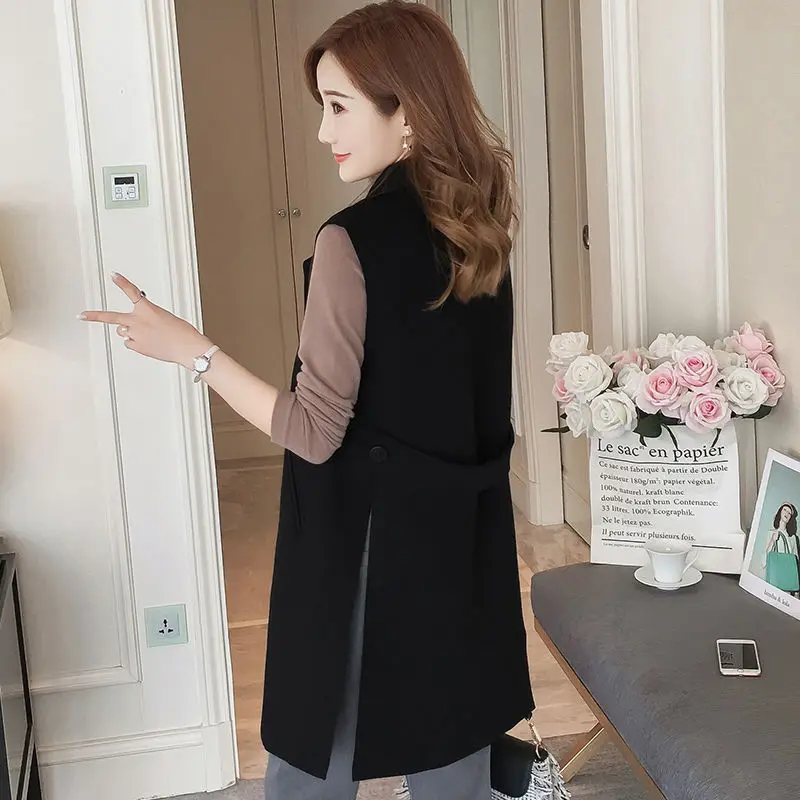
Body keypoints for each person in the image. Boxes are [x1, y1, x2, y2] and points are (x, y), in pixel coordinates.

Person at [78, 2, 533, 797]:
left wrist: (194, 351)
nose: (324, 132)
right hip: (461, 532)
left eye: (339, 106)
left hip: (365, 545)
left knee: (316, 752)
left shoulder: (349, 242)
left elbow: (315, 431)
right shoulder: (478, 228)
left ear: (407, 113)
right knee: (451, 736)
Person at [762, 502, 800, 598]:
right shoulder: (771, 533)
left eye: (789, 513)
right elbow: (765, 559)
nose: (787, 513)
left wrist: (797, 590)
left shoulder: (792, 538)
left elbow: (796, 562)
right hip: (775, 578)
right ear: (780, 512)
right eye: (785, 510)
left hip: (788, 580)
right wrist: (772, 540)